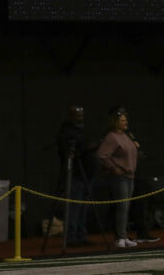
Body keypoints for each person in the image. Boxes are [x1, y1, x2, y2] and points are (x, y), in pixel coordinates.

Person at [97, 109, 141, 248]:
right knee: (122, 206)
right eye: (123, 120)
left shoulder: (125, 135)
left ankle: (124, 235)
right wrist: (113, 167)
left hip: (129, 175)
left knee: (126, 207)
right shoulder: (112, 137)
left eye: (125, 120)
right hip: (119, 176)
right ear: (116, 122)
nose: (125, 122)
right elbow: (102, 155)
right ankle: (120, 237)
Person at [55, 105, 96, 247]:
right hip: (76, 173)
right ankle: (71, 237)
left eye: (82, 115)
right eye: (77, 116)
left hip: (87, 172)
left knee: (84, 207)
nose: (80, 118)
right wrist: (85, 148)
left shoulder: (82, 130)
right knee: (74, 206)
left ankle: (81, 234)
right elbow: (68, 151)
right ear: (71, 116)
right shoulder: (66, 132)